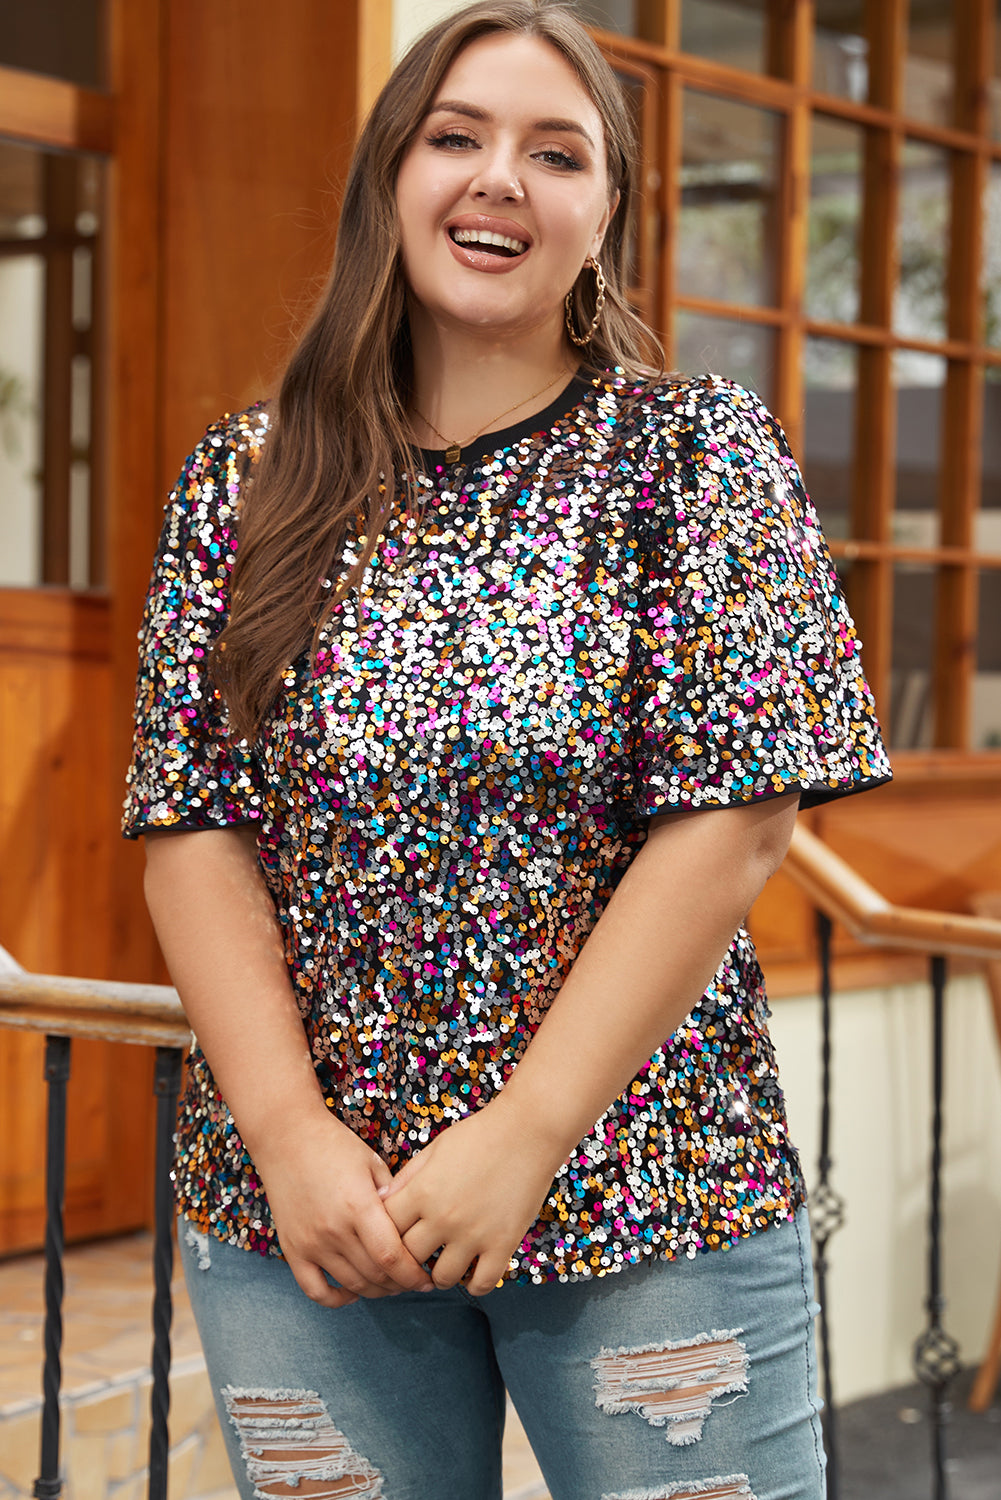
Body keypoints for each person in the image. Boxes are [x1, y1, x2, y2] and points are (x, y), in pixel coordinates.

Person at [123, 3, 890, 1497]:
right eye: (456, 136)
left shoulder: (693, 454)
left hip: (639, 1181)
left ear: (605, 213)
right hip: (305, 1215)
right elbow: (190, 826)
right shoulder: (244, 477)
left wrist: (526, 1134)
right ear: (387, 178)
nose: (499, 181)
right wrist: (285, 1134)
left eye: (556, 153)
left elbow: (735, 819)